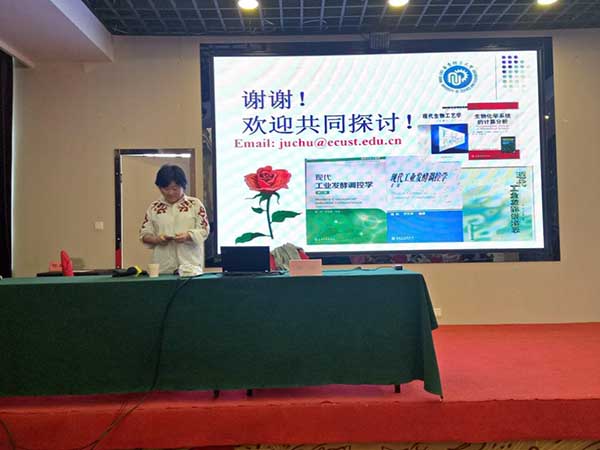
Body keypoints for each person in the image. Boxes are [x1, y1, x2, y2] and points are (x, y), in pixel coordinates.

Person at [139, 164, 209, 274]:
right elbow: (144, 235)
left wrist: (188, 236)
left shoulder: (195, 204)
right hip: (163, 267)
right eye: (166, 189)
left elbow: (204, 230)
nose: (170, 193)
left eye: (175, 189)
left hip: (190, 266)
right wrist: (157, 239)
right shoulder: (154, 207)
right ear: (159, 187)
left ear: (183, 186)